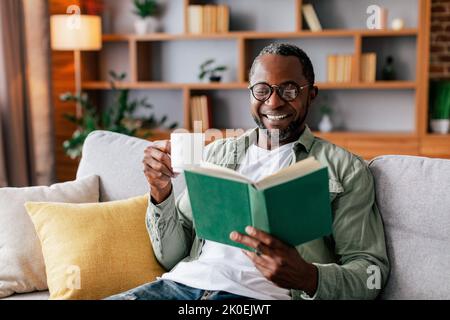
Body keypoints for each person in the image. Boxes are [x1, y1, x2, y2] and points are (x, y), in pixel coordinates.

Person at [107, 43, 390, 300]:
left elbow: (371, 274)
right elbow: (171, 255)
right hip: (177, 287)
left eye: (289, 89)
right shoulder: (216, 154)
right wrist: (160, 192)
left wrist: (309, 277)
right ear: (250, 92)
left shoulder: (345, 169)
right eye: (263, 89)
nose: (274, 102)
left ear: (311, 94)